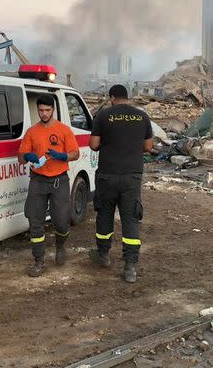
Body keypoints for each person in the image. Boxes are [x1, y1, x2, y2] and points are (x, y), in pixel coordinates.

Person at [89, 84, 153, 283]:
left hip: (107, 175)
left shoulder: (103, 116)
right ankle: (130, 267)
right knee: (131, 218)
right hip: (132, 176)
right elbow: (149, 146)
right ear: (128, 97)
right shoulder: (142, 117)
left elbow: (93, 145)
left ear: (112, 98)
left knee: (105, 214)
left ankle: (103, 255)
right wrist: (131, 149)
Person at [17, 95, 79, 277]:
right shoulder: (31, 132)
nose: (44, 114)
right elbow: (20, 156)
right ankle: (39, 261)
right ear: (37, 110)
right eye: (41, 110)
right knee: (35, 221)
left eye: (47, 110)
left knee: (61, 220)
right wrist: (27, 156)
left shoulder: (63, 130)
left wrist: (63, 156)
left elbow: (75, 153)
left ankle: (61, 246)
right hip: (38, 181)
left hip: (59, 180)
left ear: (53, 110)